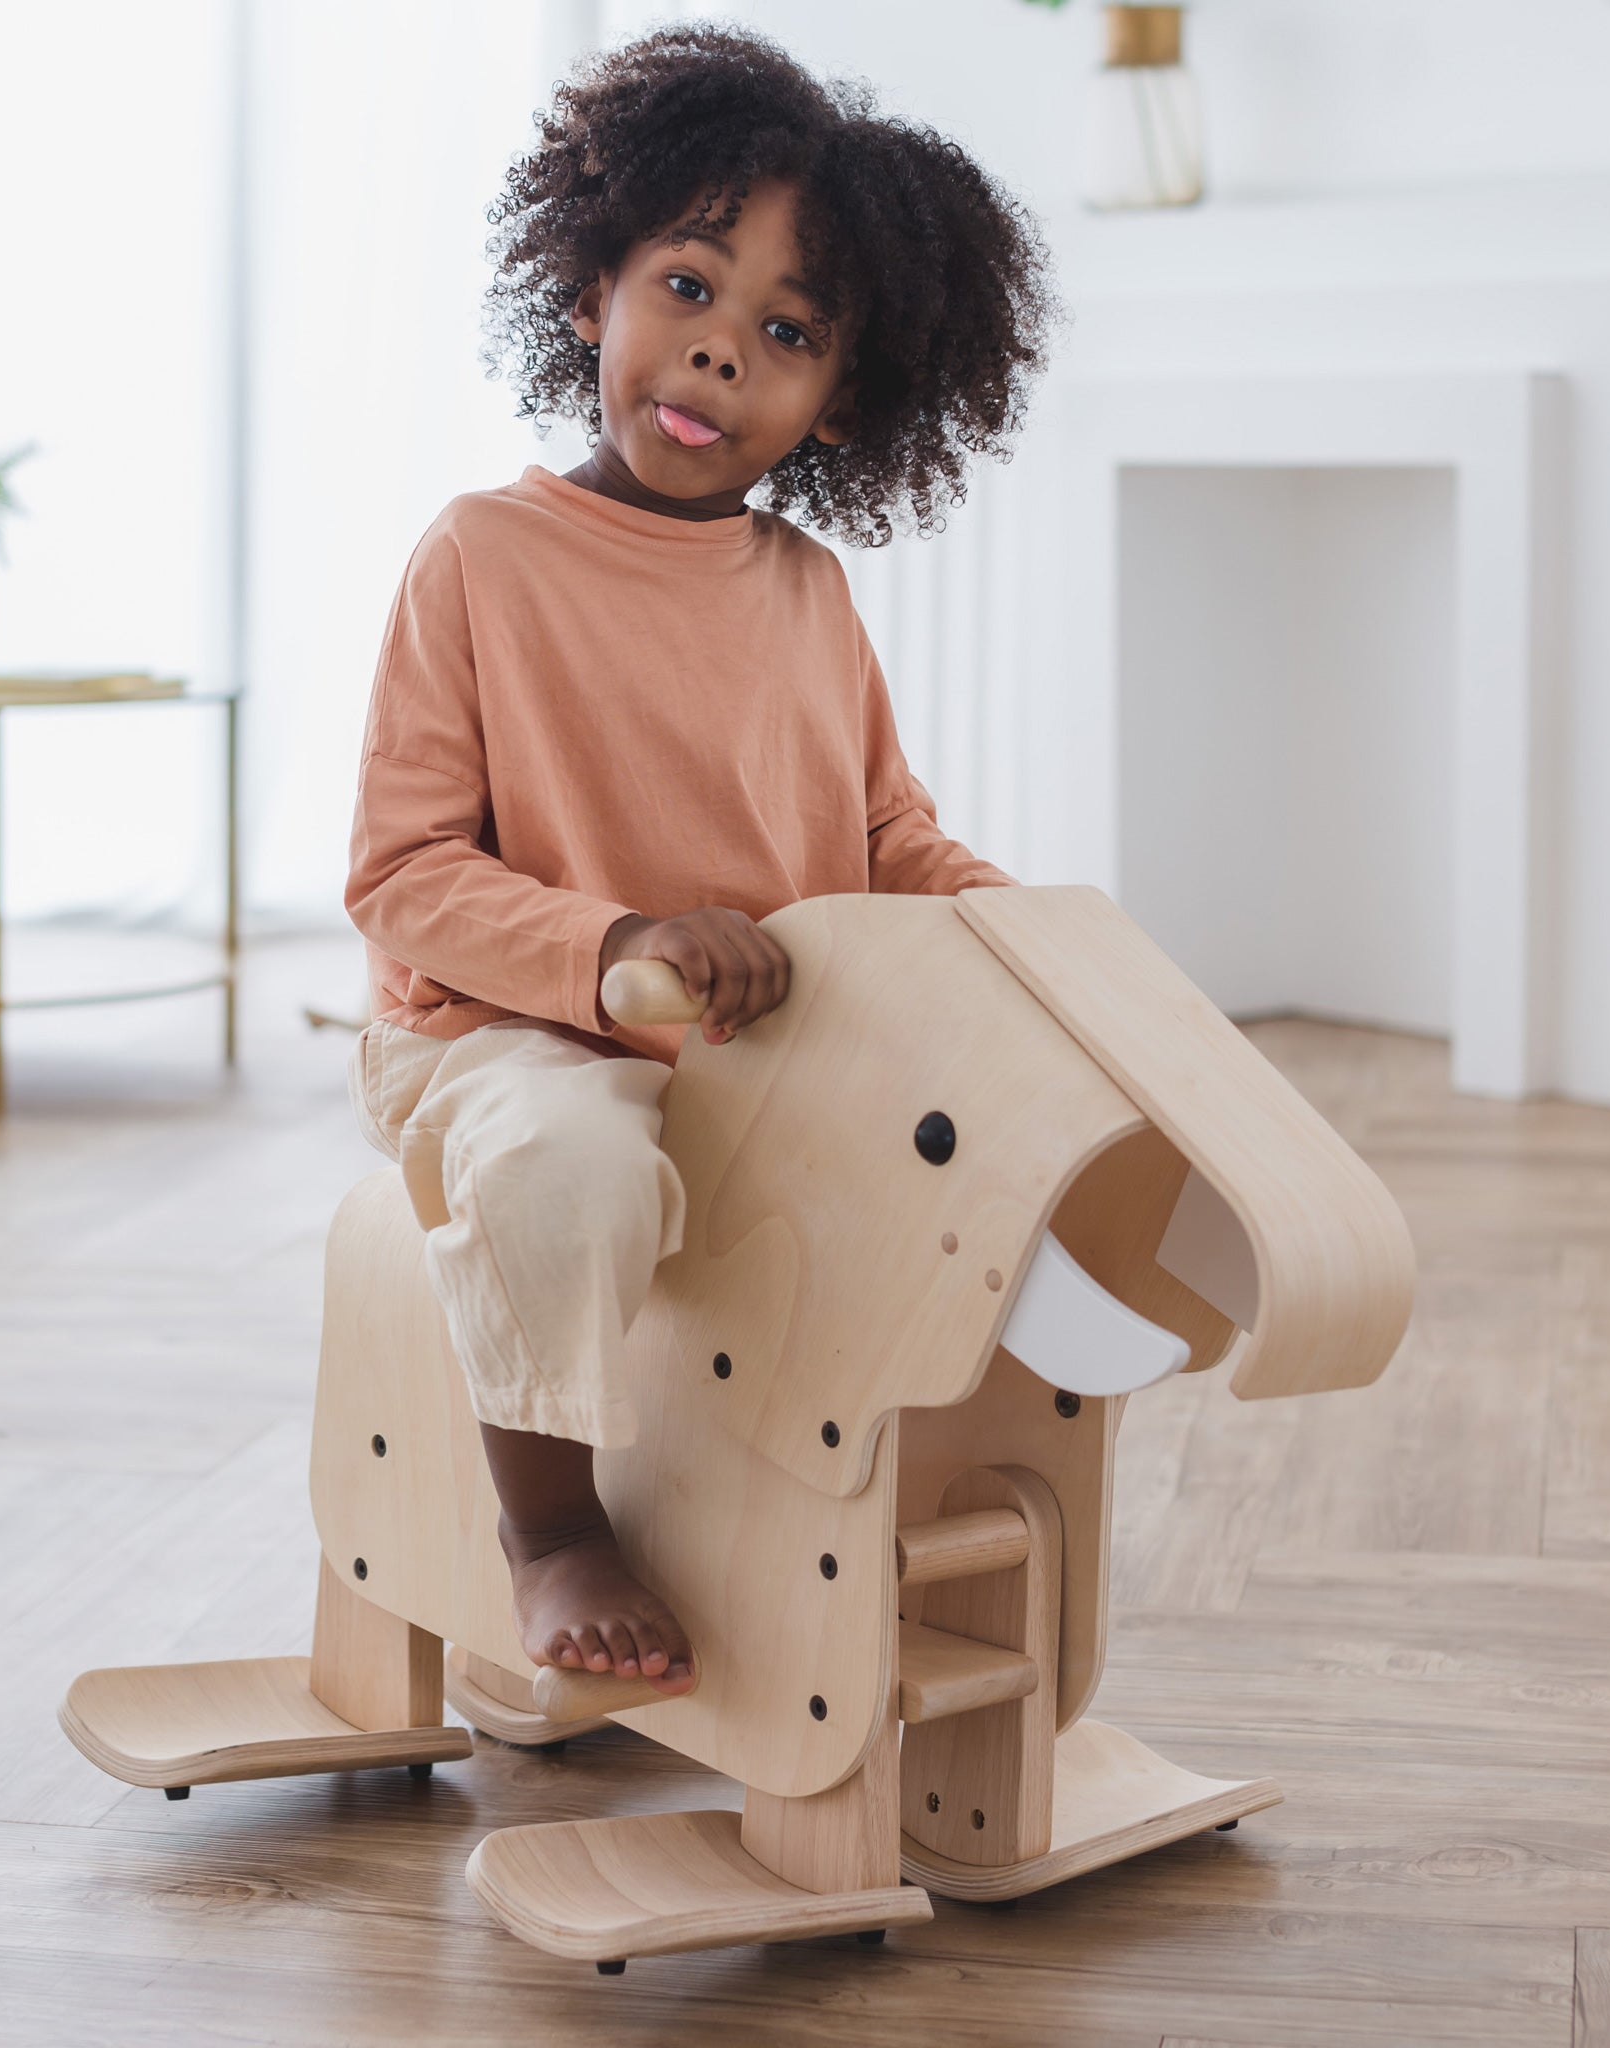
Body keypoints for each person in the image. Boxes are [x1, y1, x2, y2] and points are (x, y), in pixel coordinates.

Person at [345, 23, 1054, 1699]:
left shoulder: (807, 593)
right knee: (565, 1159)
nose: (720, 352)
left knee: (989, 1155)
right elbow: (400, 871)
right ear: (592, 289)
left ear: (835, 405)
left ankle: (896, 1495)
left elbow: (884, 834)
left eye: (785, 332)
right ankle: (549, 1526)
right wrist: (611, 946)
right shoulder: (484, 557)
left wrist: (1019, 936)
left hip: (748, 1062)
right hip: (500, 1044)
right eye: (688, 286)